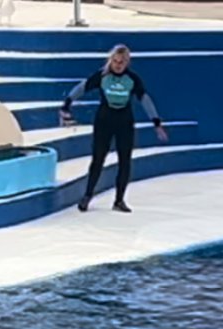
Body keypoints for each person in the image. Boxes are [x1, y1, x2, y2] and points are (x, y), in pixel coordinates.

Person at [59, 44, 168, 214]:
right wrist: (67, 103)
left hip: (124, 124)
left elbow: (144, 99)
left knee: (125, 161)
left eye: (121, 62)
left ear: (127, 63)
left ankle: (119, 200)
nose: (118, 65)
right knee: (98, 159)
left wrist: (156, 122)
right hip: (104, 122)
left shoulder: (132, 79)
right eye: (115, 61)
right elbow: (83, 87)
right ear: (111, 60)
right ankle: (87, 195)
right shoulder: (102, 76)